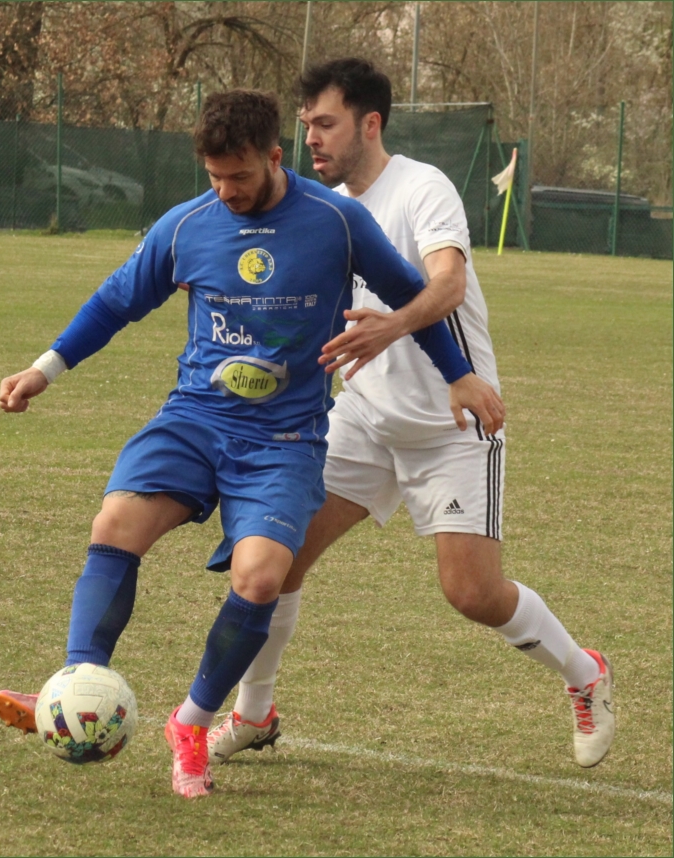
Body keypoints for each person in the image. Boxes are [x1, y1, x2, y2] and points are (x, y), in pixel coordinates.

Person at [0, 89, 505, 799]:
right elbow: (116, 301)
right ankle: (79, 684)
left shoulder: (336, 221)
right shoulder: (187, 225)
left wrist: (460, 376)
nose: (226, 191)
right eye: (214, 177)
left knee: (261, 578)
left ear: (273, 157)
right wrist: (44, 370)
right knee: (114, 524)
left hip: (284, 438)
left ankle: (192, 725)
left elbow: (411, 296)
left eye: (239, 175)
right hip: (195, 419)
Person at [207, 60, 615, 770]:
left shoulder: (423, 188)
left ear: (370, 123)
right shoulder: (323, 207)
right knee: (278, 555)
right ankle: (254, 712)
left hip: (451, 424)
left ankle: (585, 673)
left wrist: (393, 327)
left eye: (326, 123)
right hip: (364, 418)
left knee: (472, 592)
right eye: (306, 125)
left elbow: (448, 283)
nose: (312, 139)